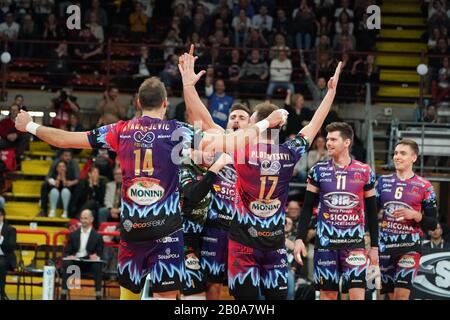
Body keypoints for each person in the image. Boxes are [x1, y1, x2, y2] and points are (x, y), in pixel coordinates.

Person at [15, 76, 288, 300]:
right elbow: (229, 144)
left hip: (133, 231)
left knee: (129, 296)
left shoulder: (119, 130)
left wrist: (30, 125)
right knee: (167, 297)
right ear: (166, 104)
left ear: (137, 102)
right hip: (167, 232)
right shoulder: (176, 130)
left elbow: (64, 140)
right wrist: (266, 122)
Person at [179, 47, 342, 299]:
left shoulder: (240, 149)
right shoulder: (290, 151)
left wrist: (189, 85)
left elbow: (206, 122)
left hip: (243, 243)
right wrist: (330, 93)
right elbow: (313, 125)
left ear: (256, 123)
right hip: (274, 244)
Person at [294, 122, 379, 300]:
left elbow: (372, 211)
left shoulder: (364, 171)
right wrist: (300, 238)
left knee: (357, 295)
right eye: (327, 139)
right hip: (326, 244)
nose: (328, 143)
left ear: (346, 142)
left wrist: (374, 246)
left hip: (354, 244)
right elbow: (307, 208)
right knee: (327, 295)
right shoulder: (318, 170)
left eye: (333, 139)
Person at [376, 139, 439, 300]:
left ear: (414, 158)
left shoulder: (425, 186)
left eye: (402, 153)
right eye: (395, 153)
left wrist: (416, 215)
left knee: (402, 296)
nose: (397, 156)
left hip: (409, 246)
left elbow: (433, 223)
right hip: (385, 246)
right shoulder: (382, 182)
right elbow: (371, 213)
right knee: (390, 296)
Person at [179, 150, 232, 299]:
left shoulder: (211, 170)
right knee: (195, 294)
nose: (212, 153)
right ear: (193, 150)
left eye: (216, 149)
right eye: (207, 148)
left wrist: (229, 128)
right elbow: (194, 194)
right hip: (182, 237)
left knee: (210, 285)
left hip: (205, 237)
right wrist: (218, 165)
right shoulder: (185, 167)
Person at [60, 209, 104, 300]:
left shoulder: (97, 236)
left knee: (97, 265)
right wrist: (69, 256)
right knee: (67, 263)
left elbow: (100, 253)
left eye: (86, 218)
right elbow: (67, 251)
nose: (83, 220)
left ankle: (98, 295)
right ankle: (63, 295)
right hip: (75, 263)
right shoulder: (73, 235)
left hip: (89, 263)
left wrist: (96, 256)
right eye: (82, 218)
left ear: (91, 219)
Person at [38, 150, 79, 217]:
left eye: (69, 156)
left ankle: (71, 210)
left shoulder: (73, 164)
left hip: (69, 186)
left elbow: (77, 179)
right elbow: (48, 177)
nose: (68, 157)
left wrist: (70, 182)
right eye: (66, 156)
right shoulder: (55, 163)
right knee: (45, 185)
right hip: (56, 185)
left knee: (78, 187)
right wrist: (54, 181)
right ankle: (44, 210)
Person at [0, 207, 16, 300]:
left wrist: (1, 239)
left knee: (0, 263)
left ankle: (2, 293)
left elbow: (11, 247)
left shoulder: (10, 230)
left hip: (6, 256)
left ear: (3, 216)